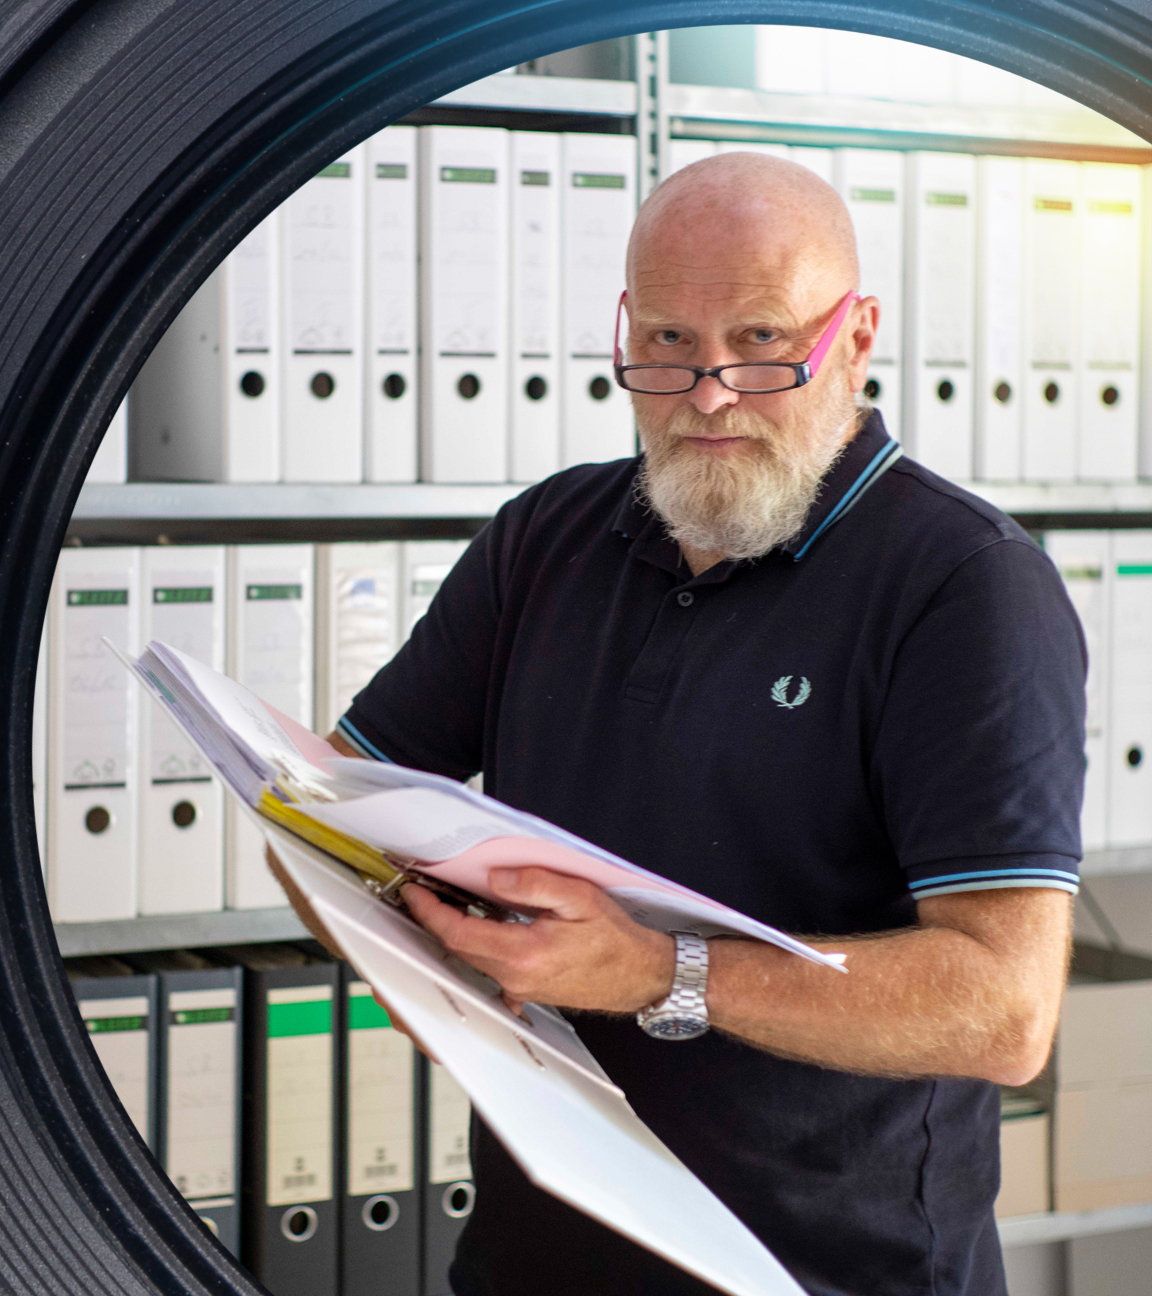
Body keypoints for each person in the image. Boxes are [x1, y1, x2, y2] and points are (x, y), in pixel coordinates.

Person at [277, 152, 1085, 1295]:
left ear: (855, 337)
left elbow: (1003, 1011)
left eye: (761, 343)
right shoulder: (544, 537)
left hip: (826, 1272)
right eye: (666, 343)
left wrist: (660, 971)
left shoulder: (966, 584)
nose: (708, 395)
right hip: (530, 1260)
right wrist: (430, 970)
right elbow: (341, 801)